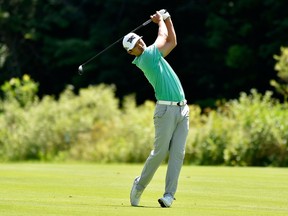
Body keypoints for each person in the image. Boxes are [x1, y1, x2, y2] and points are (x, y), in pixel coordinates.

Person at [122, 9, 189, 208]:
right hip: (165, 111)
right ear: (131, 52)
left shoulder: (154, 55)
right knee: (159, 153)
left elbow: (172, 42)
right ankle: (139, 184)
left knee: (178, 154)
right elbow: (163, 36)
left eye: (139, 40)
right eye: (135, 45)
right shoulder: (147, 58)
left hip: (182, 110)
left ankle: (169, 195)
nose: (139, 43)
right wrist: (161, 21)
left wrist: (168, 19)